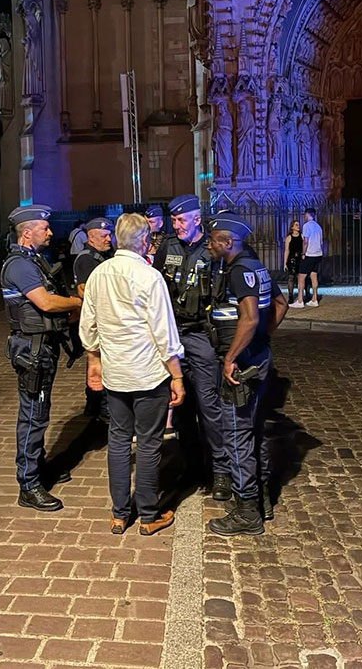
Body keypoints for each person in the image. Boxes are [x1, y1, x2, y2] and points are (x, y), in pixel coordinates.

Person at [80, 213, 185, 536]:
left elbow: (88, 325)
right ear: (143, 241)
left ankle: (119, 514)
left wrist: (94, 359)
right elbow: (164, 333)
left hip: (116, 374)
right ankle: (149, 515)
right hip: (148, 374)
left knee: (119, 440)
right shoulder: (149, 277)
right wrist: (177, 376)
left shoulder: (99, 274)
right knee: (150, 444)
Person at [205, 213, 288, 534]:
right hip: (258, 358)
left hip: (241, 366)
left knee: (237, 434)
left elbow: (250, 318)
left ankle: (246, 511)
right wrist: (263, 340)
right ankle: (263, 501)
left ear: (227, 242)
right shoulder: (256, 266)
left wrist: (232, 357)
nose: (209, 246)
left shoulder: (239, 270)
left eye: (213, 241)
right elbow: (281, 304)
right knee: (255, 430)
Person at [1, 205, 83, 512]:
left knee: (39, 413)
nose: (49, 232)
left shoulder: (33, 261)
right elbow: (45, 303)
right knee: (33, 416)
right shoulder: (20, 265)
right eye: (44, 228)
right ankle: (29, 484)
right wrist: (78, 301)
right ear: (26, 232)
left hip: (41, 348)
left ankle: (37, 467)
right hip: (32, 351)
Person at [153, 194, 231, 500]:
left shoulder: (210, 248)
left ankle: (221, 471)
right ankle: (192, 464)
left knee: (209, 406)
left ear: (197, 219)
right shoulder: (167, 247)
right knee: (180, 405)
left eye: (181, 219)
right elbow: (154, 289)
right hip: (173, 336)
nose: (177, 224)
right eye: (173, 219)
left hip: (200, 334)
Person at [73, 218, 114, 420]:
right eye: (104, 235)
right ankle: (102, 413)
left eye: (110, 235)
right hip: (98, 323)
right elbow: (85, 291)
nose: (109, 238)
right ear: (90, 236)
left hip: (103, 322)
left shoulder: (102, 256)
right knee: (100, 368)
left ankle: (94, 410)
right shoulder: (87, 259)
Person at [288, 207, 323, 309]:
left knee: (301, 277)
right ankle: (314, 299)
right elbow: (321, 242)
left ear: (308, 214)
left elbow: (306, 241)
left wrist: (303, 253)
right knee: (313, 276)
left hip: (310, 254)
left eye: (305, 215)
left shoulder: (307, 226)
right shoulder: (318, 227)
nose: (304, 217)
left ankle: (300, 300)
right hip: (318, 254)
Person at [282, 219, 302, 304]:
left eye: (298, 225)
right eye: (296, 225)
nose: (298, 226)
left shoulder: (302, 236)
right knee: (291, 278)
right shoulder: (289, 237)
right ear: (292, 227)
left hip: (300, 258)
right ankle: (290, 296)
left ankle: (304, 295)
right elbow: (286, 250)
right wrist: (285, 263)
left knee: (301, 278)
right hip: (292, 259)